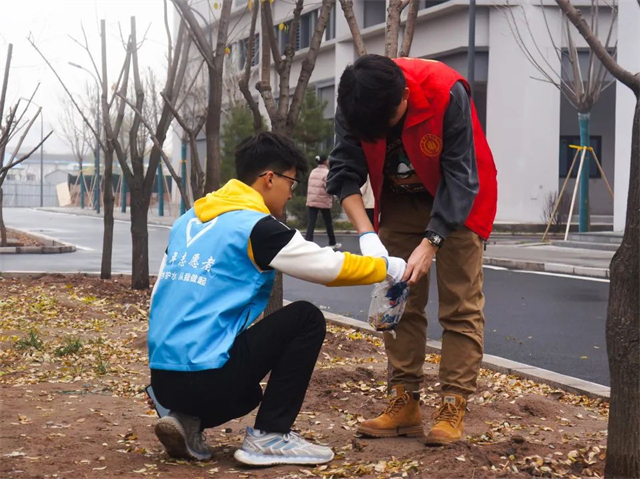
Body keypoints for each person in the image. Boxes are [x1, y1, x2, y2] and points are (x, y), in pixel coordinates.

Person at [148, 131, 407, 466]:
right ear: (269, 179)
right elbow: (327, 268)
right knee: (305, 318)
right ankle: (270, 435)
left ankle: (186, 420)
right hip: (206, 376)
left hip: (162, 381)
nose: (290, 193)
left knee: (247, 392)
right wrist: (387, 266)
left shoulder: (186, 222)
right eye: (291, 183)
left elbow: (158, 296)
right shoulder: (256, 227)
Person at [327, 54, 498, 445]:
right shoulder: (355, 99)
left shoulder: (445, 90)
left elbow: (459, 174)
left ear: (405, 95)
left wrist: (431, 242)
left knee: (460, 305)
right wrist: (367, 234)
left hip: (459, 198)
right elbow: (344, 172)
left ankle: (453, 404)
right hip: (400, 201)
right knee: (396, 297)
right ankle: (404, 402)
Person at [305, 155, 341, 250]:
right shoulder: (327, 173)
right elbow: (328, 187)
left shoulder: (313, 171)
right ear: (325, 161)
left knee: (311, 222)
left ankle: (308, 242)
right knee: (328, 223)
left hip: (312, 200)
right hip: (323, 200)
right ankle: (332, 242)